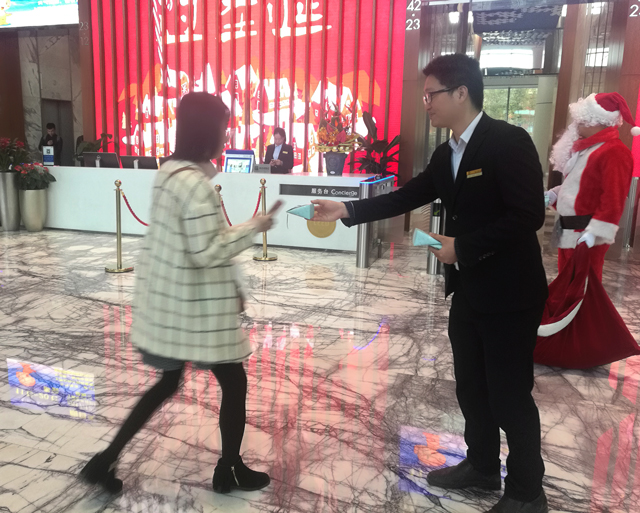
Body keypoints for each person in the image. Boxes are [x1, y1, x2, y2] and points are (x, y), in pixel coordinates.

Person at [312, 53, 549, 513]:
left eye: (431, 94)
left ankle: (526, 490)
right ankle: (482, 464)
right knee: (470, 387)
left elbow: (528, 216)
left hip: (511, 293)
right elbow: (407, 196)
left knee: (508, 395)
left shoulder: (508, 141)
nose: (426, 104)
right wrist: (347, 209)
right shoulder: (446, 154)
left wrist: (464, 246)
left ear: (461, 92)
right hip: (469, 291)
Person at [80, 92, 282, 494]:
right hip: (195, 311)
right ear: (208, 131)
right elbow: (207, 251)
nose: (226, 135)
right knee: (234, 382)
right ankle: (229, 469)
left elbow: (193, 242)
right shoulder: (195, 185)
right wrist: (254, 227)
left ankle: (105, 460)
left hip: (170, 304)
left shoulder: (169, 173)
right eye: (223, 127)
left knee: (167, 383)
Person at [546, 92, 639, 281]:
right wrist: (555, 194)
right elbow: (581, 186)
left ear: (597, 121)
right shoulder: (586, 149)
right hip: (568, 229)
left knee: (583, 286)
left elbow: (613, 200)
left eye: (581, 121)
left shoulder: (614, 151)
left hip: (586, 232)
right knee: (566, 282)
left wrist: (595, 233)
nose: (577, 126)